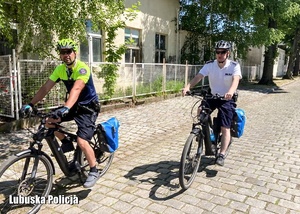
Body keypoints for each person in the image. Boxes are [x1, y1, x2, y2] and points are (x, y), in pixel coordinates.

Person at [20, 38, 101, 188]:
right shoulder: (60, 69)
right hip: (72, 105)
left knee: (83, 141)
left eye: (69, 52)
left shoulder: (82, 68)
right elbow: (45, 88)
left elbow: (76, 89)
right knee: (48, 121)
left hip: (88, 108)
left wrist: (66, 108)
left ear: (74, 53)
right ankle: (66, 142)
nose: (66, 55)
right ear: (60, 55)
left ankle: (94, 169)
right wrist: (31, 104)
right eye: (63, 52)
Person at [182, 40, 242, 166]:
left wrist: (230, 92)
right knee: (200, 110)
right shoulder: (210, 65)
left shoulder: (234, 66)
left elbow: (235, 80)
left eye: (223, 52)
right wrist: (188, 87)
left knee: (225, 127)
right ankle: (204, 131)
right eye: (217, 52)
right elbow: (199, 76)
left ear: (228, 53)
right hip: (212, 96)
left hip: (227, 99)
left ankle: (222, 154)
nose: (219, 54)